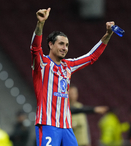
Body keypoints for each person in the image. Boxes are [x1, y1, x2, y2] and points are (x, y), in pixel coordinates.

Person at [30, 8, 114, 146]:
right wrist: (40, 25)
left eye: (67, 45)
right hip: (48, 124)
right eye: (61, 44)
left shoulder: (68, 66)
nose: (65, 48)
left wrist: (108, 34)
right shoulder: (42, 64)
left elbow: (91, 57)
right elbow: (35, 48)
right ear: (50, 44)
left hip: (67, 127)